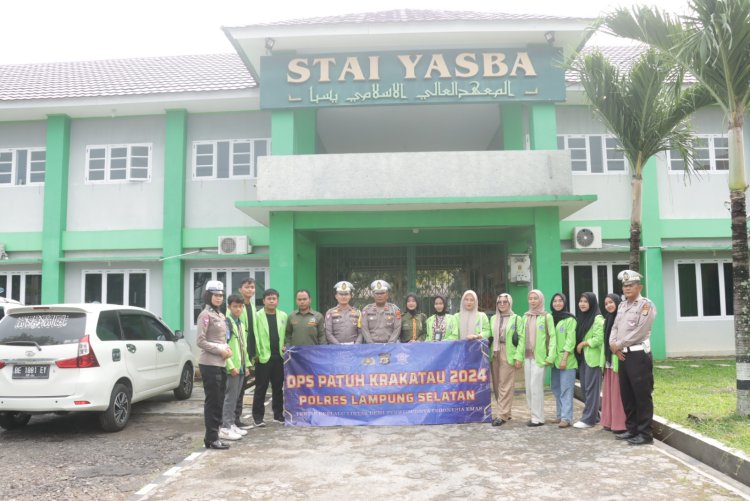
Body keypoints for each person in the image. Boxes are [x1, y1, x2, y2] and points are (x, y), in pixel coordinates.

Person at [610, 270, 657, 446]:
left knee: (641, 395)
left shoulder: (645, 305)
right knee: (627, 394)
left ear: (640, 287)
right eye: (625, 285)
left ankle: (645, 434)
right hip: (622, 354)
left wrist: (619, 344)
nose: (627, 288)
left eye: (630, 285)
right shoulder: (622, 305)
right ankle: (632, 429)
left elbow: (641, 331)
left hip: (638, 355)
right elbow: (615, 326)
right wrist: (613, 344)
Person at [196, 280, 232, 450]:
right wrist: (219, 350)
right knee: (213, 402)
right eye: (216, 295)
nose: (219, 298)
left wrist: (226, 348)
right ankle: (211, 438)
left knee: (219, 401)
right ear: (208, 296)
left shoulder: (220, 314)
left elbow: (220, 338)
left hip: (220, 363)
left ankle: (213, 436)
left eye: (221, 295)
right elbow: (201, 341)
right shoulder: (205, 314)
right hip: (209, 364)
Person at [252, 288, 288, 426]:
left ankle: (278, 415)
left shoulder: (283, 316)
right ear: (264, 301)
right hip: (263, 357)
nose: (272, 301)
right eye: (269, 298)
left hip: (279, 357)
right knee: (261, 387)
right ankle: (258, 417)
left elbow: (287, 334)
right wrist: (256, 354)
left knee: (278, 388)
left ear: (277, 300)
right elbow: (254, 336)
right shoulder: (257, 316)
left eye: (274, 298)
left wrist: (286, 345)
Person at [522, 289, 556, 427]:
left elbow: (552, 337)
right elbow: (521, 338)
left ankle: (538, 418)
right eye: (530, 298)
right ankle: (533, 414)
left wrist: (550, 356)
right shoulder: (525, 316)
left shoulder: (546, 316)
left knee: (536, 387)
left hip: (540, 358)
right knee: (529, 388)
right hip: (527, 357)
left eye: (535, 298)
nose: (532, 301)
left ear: (541, 300)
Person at [489, 293, 523, 426]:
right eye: (499, 302)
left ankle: (501, 415)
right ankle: (506, 412)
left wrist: (519, 357)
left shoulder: (516, 319)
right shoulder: (493, 318)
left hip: (508, 352)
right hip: (495, 352)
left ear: (510, 303)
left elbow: (521, 339)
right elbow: (489, 334)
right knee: (497, 384)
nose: (502, 304)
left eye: (505, 302)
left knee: (505, 384)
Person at [220, 294, 250, 441]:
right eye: (235, 306)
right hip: (232, 368)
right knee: (230, 398)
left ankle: (231, 424)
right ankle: (225, 427)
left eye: (240, 306)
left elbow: (243, 347)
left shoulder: (240, 324)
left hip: (241, 367)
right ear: (229, 307)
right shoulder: (227, 323)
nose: (238, 309)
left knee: (236, 397)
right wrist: (230, 366)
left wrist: (247, 364)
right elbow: (224, 346)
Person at [573, 292, 605, 429]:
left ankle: (588, 419)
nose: (582, 304)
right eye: (581, 301)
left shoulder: (597, 318)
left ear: (592, 303)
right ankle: (595, 416)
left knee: (592, 389)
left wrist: (584, 343)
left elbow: (599, 339)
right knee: (585, 388)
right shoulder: (582, 318)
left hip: (593, 359)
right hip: (583, 359)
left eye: (586, 301)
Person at [549, 293, 577, 429]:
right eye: (555, 301)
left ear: (564, 303)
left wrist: (565, 358)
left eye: (560, 301)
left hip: (567, 360)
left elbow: (571, 341)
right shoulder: (551, 318)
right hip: (554, 360)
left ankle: (567, 418)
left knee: (566, 389)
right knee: (555, 387)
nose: (557, 303)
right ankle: (560, 415)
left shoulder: (570, 319)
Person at [600, 293, 626, 433]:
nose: (609, 305)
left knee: (617, 394)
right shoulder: (607, 319)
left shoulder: (621, 319)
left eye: (611, 302)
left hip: (618, 361)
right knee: (609, 393)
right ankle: (609, 422)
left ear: (617, 303)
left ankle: (619, 424)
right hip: (608, 361)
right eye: (606, 303)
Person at [235, 277, 257, 429]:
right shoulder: (236, 306)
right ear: (240, 289)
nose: (250, 290)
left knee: (241, 388)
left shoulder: (252, 306)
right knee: (234, 389)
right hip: (237, 353)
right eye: (247, 287)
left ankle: (236, 418)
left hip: (249, 353)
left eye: (253, 287)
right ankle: (232, 420)